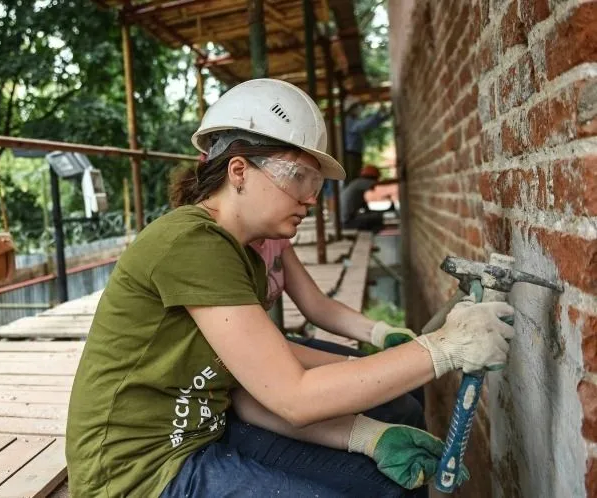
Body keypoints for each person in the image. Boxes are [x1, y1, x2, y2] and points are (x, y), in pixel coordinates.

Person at [66, 78, 515, 498]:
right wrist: (442, 349)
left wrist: (369, 436)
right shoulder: (190, 243)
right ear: (239, 171)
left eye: (315, 183)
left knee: (379, 480)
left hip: (204, 431)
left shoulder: (242, 253)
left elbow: (254, 390)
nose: (310, 198)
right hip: (138, 473)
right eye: (298, 177)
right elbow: (292, 396)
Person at [343, 99, 391, 183]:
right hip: (351, 155)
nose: (359, 109)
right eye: (356, 106)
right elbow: (362, 125)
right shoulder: (348, 121)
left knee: (355, 178)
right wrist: (378, 114)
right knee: (352, 180)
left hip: (355, 155)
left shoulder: (353, 120)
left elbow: (370, 124)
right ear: (350, 109)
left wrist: (384, 116)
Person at [339, 164, 396, 231]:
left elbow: (365, 207)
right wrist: (398, 180)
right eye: (376, 178)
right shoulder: (359, 183)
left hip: (346, 221)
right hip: (348, 222)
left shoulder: (356, 186)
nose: (376, 180)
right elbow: (379, 184)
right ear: (371, 177)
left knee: (375, 217)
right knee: (377, 218)